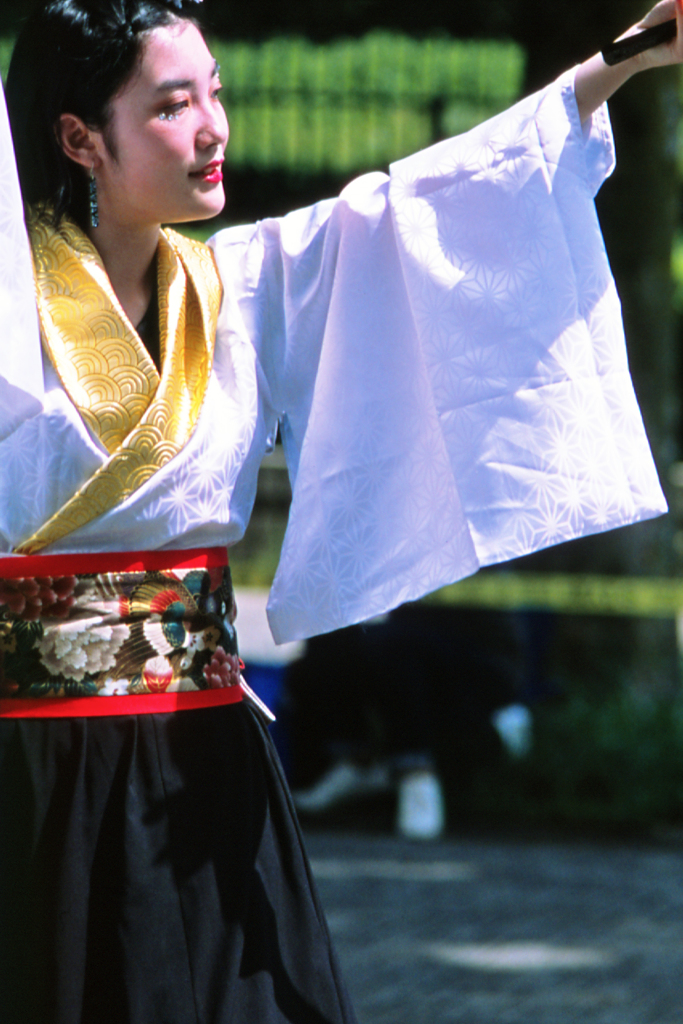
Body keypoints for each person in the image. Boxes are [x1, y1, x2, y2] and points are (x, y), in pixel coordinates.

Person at [0, 0, 681, 1021]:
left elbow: (426, 206)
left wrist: (613, 66)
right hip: (30, 763)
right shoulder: (12, 313)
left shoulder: (244, 284)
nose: (213, 127)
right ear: (76, 137)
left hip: (201, 756)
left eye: (216, 93)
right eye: (174, 104)